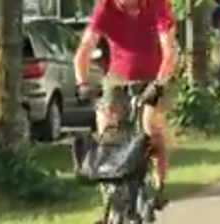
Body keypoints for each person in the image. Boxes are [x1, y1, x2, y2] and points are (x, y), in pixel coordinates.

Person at [74, 0, 178, 210]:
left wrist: (158, 84)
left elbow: (170, 51)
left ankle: (159, 185)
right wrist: (82, 83)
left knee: (151, 127)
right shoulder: (106, 7)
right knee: (106, 128)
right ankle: (111, 195)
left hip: (155, 76)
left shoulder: (157, 5)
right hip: (118, 77)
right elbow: (84, 49)